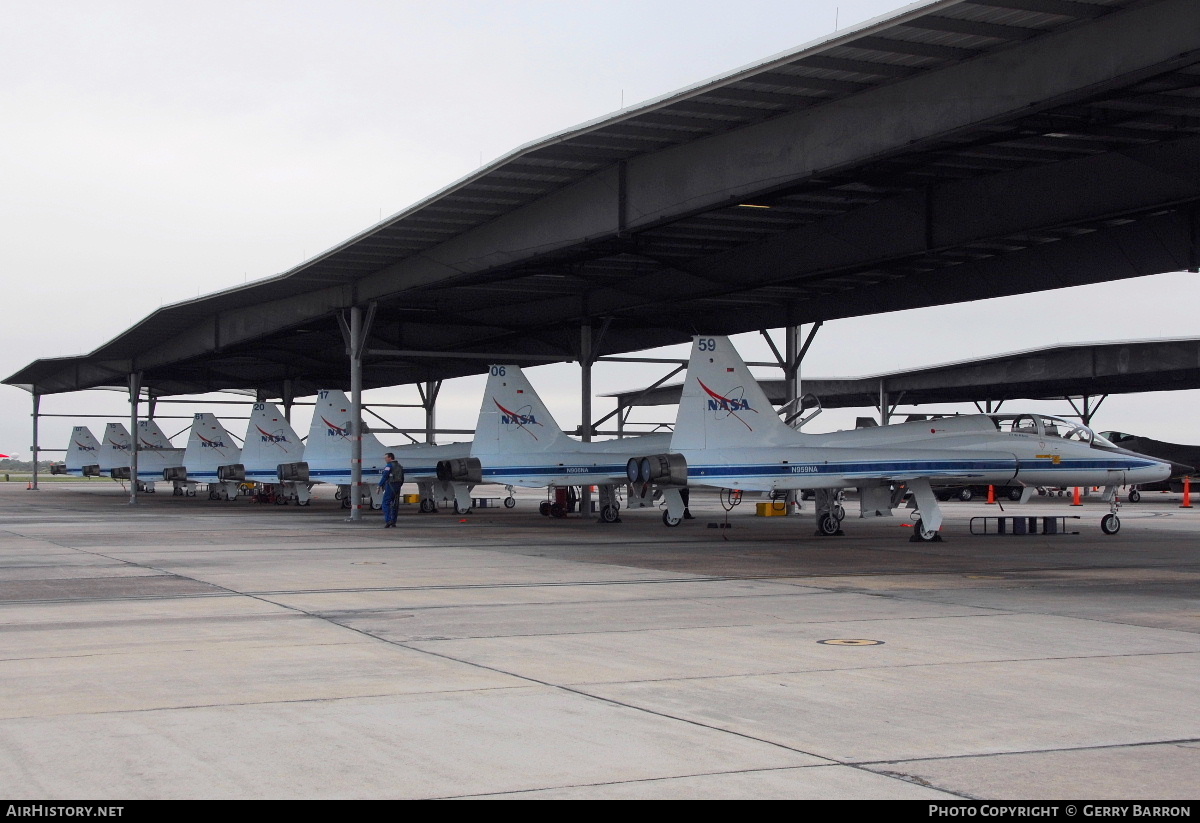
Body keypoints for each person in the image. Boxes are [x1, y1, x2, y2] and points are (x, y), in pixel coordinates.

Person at [378, 453, 403, 528]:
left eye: (386, 458)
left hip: (390, 486)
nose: (385, 459)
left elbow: (385, 476)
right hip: (397, 486)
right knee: (395, 504)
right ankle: (393, 521)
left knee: (385, 503)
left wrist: (379, 485)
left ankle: (388, 520)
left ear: (390, 458)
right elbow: (402, 478)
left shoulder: (388, 466)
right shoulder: (400, 466)